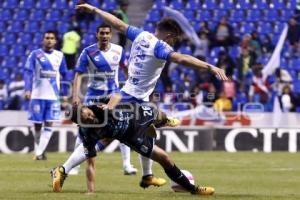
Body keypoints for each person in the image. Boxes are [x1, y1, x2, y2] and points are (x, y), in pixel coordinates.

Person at [67, 2, 227, 192]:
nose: (173, 45)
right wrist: (209, 66)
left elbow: (118, 24)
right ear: (170, 36)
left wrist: (95, 9)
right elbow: (183, 59)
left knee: (150, 134)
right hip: (131, 100)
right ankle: (65, 168)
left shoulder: (141, 35)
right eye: (174, 41)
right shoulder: (161, 47)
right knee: (108, 137)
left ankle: (148, 175)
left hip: (129, 95)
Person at [52, 103, 215, 195]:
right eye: (85, 119)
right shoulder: (87, 132)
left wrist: (109, 105)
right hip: (132, 138)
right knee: (164, 158)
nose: (89, 117)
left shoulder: (98, 107)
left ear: (87, 108)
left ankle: (163, 121)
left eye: (87, 113)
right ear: (80, 123)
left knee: (157, 112)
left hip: (137, 116)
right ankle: (193, 189)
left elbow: (115, 97)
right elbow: (91, 162)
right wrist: (91, 191)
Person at [72, 23, 138, 175]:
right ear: (97, 34)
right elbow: (78, 74)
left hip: (112, 95)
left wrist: (130, 89)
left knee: (122, 126)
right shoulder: (87, 52)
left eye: (107, 33)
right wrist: (75, 95)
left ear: (111, 35)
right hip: (93, 95)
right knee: (84, 129)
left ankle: (127, 165)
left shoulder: (119, 50)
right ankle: (75, 166)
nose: (104, 36)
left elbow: (125, 68)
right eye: (101, 33)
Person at [24, 30, 68, 160]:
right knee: (37, 124)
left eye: (52, 38)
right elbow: (27, 72)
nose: (49, 40)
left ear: (55, 41)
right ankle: (40, 151)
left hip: (53, 96)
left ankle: (38, 153)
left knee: (49, 123)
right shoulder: (35, 55)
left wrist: (65, 94)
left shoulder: (60, 56)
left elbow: (65, 74)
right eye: (47, 38)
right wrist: (28, 89)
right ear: (43, 40)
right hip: (37, 95)